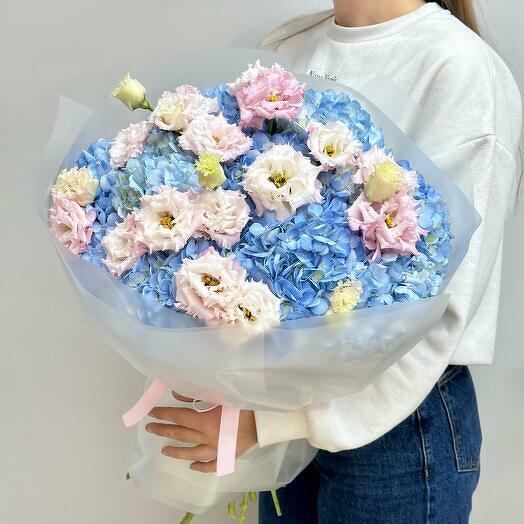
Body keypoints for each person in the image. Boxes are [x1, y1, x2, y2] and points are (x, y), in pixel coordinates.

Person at [145, 1, 522, 522]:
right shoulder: (287, 47)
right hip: (284, 409)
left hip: (399, 424)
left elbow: (443, 309)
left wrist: (270, 421)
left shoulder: (456, 67)